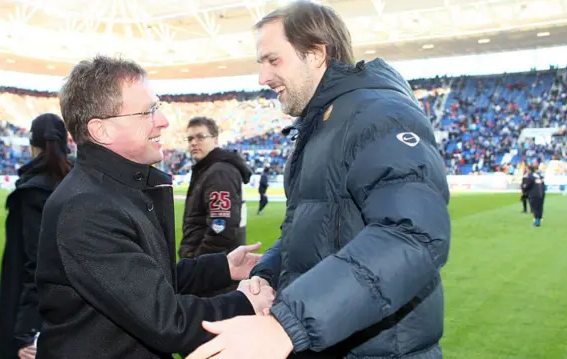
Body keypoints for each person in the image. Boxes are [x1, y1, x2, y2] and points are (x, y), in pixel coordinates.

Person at [187, 2, 451, 359]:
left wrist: (287, 324)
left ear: (315, 54)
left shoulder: (379, 116)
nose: (262, 78)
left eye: (273, 60)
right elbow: (310, 229)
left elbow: (411, 234)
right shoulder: (321, 125)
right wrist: (266, 275)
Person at [34, 55, 274, 359]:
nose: (163, 121)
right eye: (148, 112)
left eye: (157, 108)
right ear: (101, 130)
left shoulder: (116, 189)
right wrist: (245, 304)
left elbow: (146, 279)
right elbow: (167, 321)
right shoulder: (87, 207)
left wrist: (223, 268)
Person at [0, 113, 72, 359]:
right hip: (78, 312)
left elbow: (36, 265)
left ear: (33, 145)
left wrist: (27, 331)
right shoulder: (79, 183)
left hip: (42, 318)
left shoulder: (33, 192)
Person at [179, 117, 252, 261]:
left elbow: (222, 227)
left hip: (215, 269)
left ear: (215, 140)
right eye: (190, 138)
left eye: (200, 137)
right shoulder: (208, 169)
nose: (193, 143)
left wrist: (199, 261)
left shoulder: (220, 172)